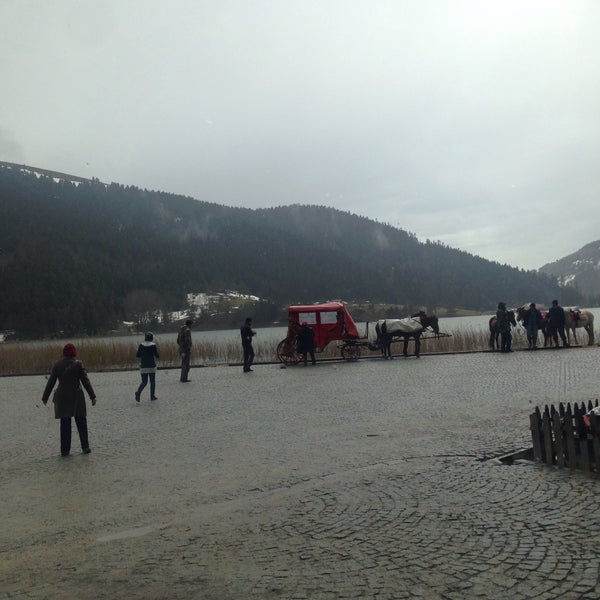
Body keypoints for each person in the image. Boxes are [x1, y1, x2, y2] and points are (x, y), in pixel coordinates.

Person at [41, 343, 97, 457]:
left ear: (64, 353)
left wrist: (45, 397)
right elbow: (85, 381)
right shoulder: (78, 364)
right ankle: (85, 447)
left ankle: (65, 451)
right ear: (74, 353)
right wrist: (92, 396)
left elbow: (51, 382)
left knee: (65, 424)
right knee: (81, 422)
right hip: (77, 396)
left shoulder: (57, 364)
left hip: (63, 397)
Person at [135, 332, 159, 401]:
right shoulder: (153, 345)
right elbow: (157, 356)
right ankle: (152, 396)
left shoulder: (141, 345)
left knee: (144, 382)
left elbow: (138, 355)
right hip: (151, 365)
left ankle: (138, 392)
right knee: (152, 381)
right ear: (151, 338)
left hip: (143, 365)